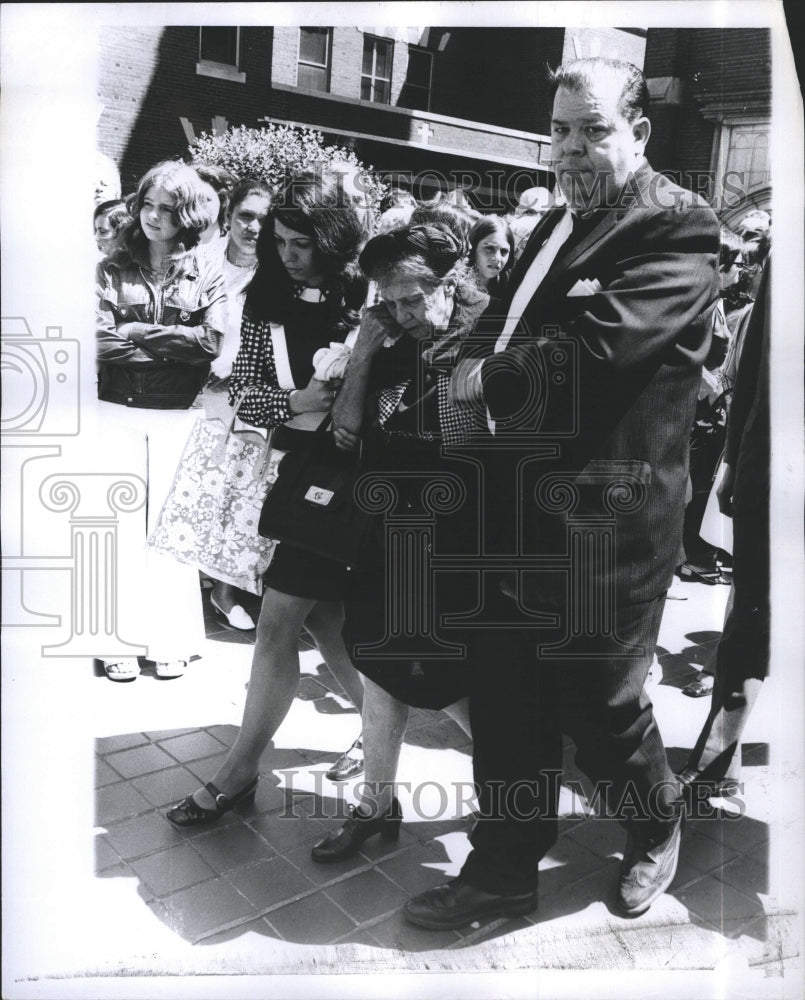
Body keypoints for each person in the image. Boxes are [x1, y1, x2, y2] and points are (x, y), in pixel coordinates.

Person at [401, 57, 720, 929]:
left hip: (605, 533)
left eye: (593, 130)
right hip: (513, 516)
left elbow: (592, 357)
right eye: (560, 131)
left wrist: (478, 380)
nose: (571, 149)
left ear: (638, 134)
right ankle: (502, 870)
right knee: (506, 701)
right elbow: (499, 326)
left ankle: (655, 820)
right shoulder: (548, 228)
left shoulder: (678, 225)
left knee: (602, 707)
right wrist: (451, 359)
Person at [166, 168, 371, 824]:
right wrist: (297, 400)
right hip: (284, 482)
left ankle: (237, 773)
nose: (285, 253)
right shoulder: (263, 297)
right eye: (279, 240)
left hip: (345, 485)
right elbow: (244, 391)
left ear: (333, 239)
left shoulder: (368, 295)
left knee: (281, 620)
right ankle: (379, 726)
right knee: (322, 619)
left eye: (301, 242)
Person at [308, 222, 489, 862]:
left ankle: (514, 794)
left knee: (458, 681)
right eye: (390, 300)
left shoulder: (483, 342)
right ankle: (375, 806)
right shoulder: (390, 340)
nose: (403, 312)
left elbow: (472, 452)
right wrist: (365, 345)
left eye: (414, 299)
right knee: (382, 668)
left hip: (458, 546)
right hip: (389, 538)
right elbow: (347, 431)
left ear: (453, 282)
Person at [95, 160, 226, 681]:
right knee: (117, 527)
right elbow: (96, 340)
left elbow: (210, 345)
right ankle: (114, 643)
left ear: (186, 214)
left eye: (166, 209)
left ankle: (170, 640)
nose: (153, 216)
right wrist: (170, 343)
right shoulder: (110, 267)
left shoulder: (206, 269)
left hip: (177, 415)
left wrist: (137, 332)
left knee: (169, 530)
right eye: (146, 204)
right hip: (116, 411)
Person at [678, 259, 770, 792]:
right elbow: (753, 365)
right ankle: (716, 765)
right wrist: (734, 462)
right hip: (775, 473)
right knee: (751, 621)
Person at [200, 177, 273, 631]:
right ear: (229, 215)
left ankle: (225, 590)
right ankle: (196, 583)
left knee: (239, 492)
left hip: (247, 396)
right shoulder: (201, 263)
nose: (253, 227)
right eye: (246, 215)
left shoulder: (274, 275)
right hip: (198, 393)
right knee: (199, 487)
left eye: (264, 220)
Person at [468, 214, 516, 298]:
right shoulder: (452, 285)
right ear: (473, 247)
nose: (497, 258)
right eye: (489, 248)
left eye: (504, 251)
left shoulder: (510, 288)